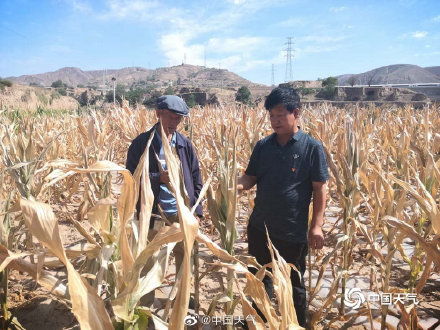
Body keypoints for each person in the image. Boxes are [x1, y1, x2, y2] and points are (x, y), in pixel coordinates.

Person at [237, 87, 328, 327]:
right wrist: (234, 185)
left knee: (294, 284)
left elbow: (320, 188)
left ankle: (297, 324)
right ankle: (257, 322)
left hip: (292, 231)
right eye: (271, 116)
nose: (275, 121)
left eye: (280, 115)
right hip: (259, 227)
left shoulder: (311, 147)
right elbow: (250, 177)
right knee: (258, 279)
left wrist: (316, 226)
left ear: (295, 113)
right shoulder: (263, 146)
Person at [126, 94, 203, 281]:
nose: (175, 122)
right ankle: (145, 303)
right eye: (171, 117)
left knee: (184, 255)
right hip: (152, 212)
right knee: (149, 258)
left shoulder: (184, 144)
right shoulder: (141, 144)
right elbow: (130, 178)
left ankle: (182, 299)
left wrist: (197, 210)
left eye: (179, 118)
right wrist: (157, 178)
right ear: (159, 113)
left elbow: (196, 178)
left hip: (181, 212)